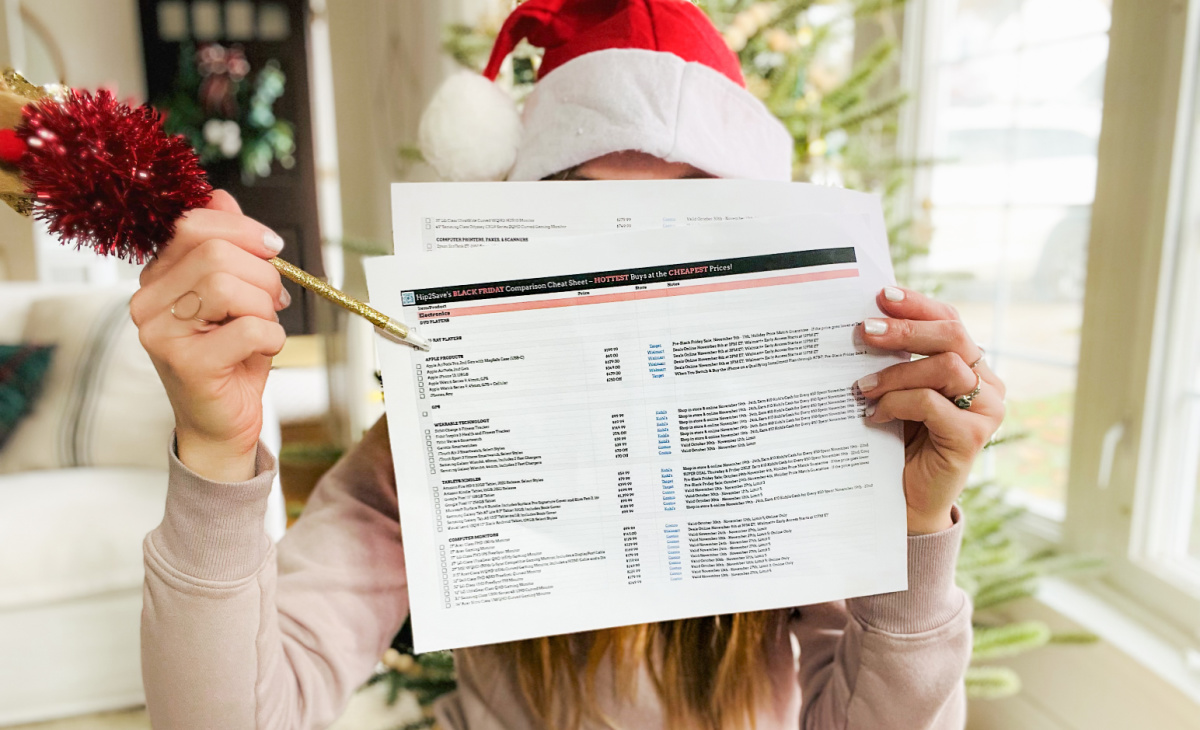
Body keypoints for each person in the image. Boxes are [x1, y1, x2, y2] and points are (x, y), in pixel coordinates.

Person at [133, 1, 1004, 728]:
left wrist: (916, 537)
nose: (634, 282)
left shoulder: (813, 443)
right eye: (585, 218)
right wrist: (216, 455)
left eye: (687, 222)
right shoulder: (422, 454)